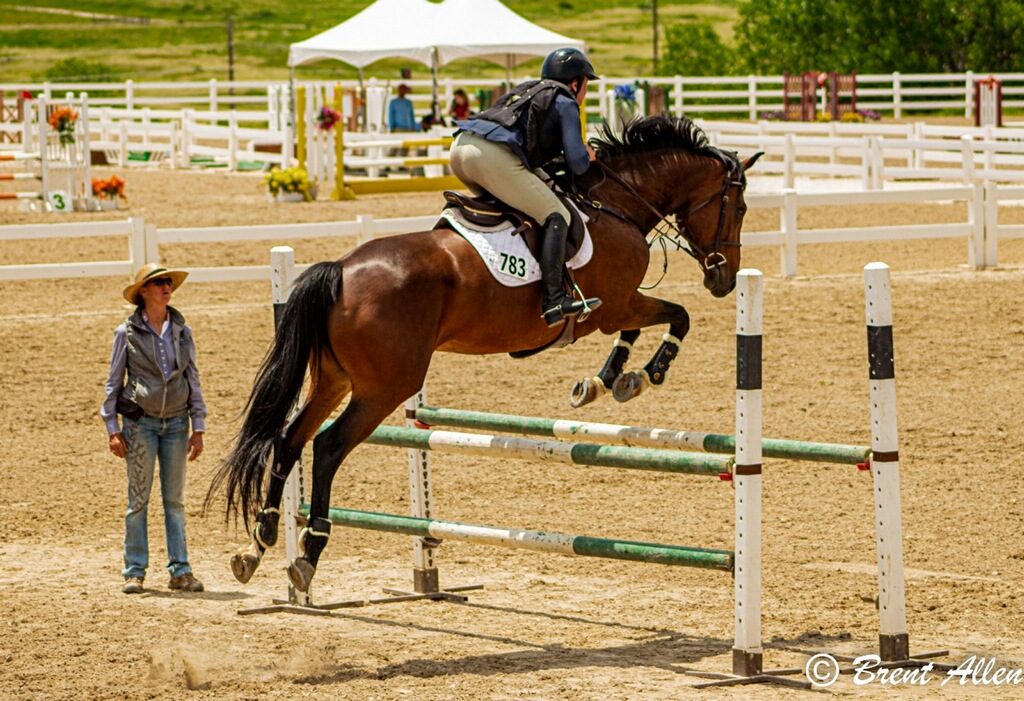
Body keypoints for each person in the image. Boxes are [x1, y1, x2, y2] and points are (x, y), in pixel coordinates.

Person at [448, 47, 601, 327]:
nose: (585, 93)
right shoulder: (565, 99)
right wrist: (588, 153)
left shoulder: (529, 90)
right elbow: (578, 164)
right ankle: (554, 298)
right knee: (557, 215)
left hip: (460, 149)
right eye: (586, 85)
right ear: (575, 82)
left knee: (523, 206)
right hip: (490, 156)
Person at [101, 263, 207, 595]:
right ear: (143, 292)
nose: (166, 287)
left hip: (177, 424)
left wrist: (198, 425)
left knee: (173, 501)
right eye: (158, 282)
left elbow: (193, 379)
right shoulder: (126, 333)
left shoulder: (182, 331)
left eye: (167, 282)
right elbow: (113, 384)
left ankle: (180, 570)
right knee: (139, 500)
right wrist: (112, 428)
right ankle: (134, 571)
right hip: (140, 425)